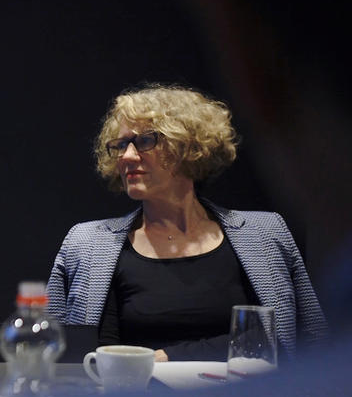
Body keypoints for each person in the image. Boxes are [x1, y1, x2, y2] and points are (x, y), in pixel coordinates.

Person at [46, 84, 327, 361]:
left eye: (145, 141)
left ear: (189, 146)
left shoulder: (265, 234)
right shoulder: (87, 243)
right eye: (120, 145)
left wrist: (167, 357)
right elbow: (54, 353)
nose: (127, 156)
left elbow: (309, 341)